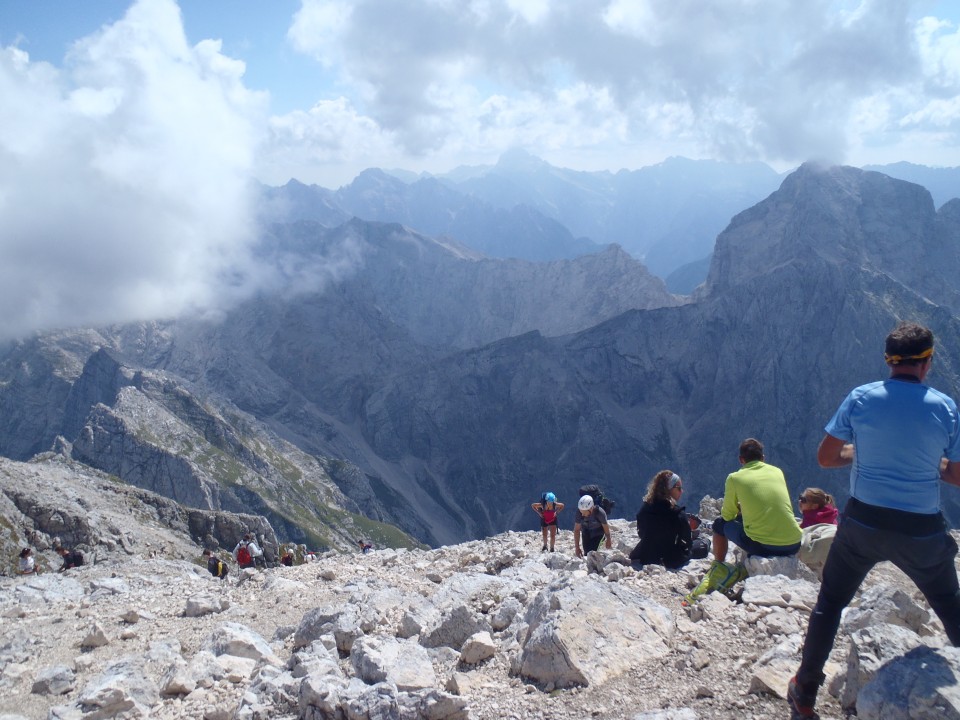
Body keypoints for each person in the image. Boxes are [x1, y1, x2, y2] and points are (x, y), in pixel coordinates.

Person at [790, 322, 960, 719]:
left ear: (888, 361)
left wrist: (861, 452)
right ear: (928, 362)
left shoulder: (861, 397)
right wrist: (929, 462)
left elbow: (827, 458)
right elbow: (957, 474)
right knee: (951, 608)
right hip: (921, 530)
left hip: (863, 525)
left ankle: (804, 694)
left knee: (830, 603)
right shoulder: (945, 407)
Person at [712, 438, 802, 562]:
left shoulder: (734, 478)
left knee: (719, 525)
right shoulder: (777, 471)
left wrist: (739, 510)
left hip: (764, 547)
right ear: (763, 457)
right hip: (794, 544)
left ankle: (718, 566)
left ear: (741, 460)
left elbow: (727, 516)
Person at [629, 470, 703, 569]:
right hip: (669, 560)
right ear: (669, 489)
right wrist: (689, 529)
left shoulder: (644, 509)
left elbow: (641, 534)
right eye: (679, 488)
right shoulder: (678, 514)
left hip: (647, 556)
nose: (682, 491)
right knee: (703, 544)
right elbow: (687, 544)